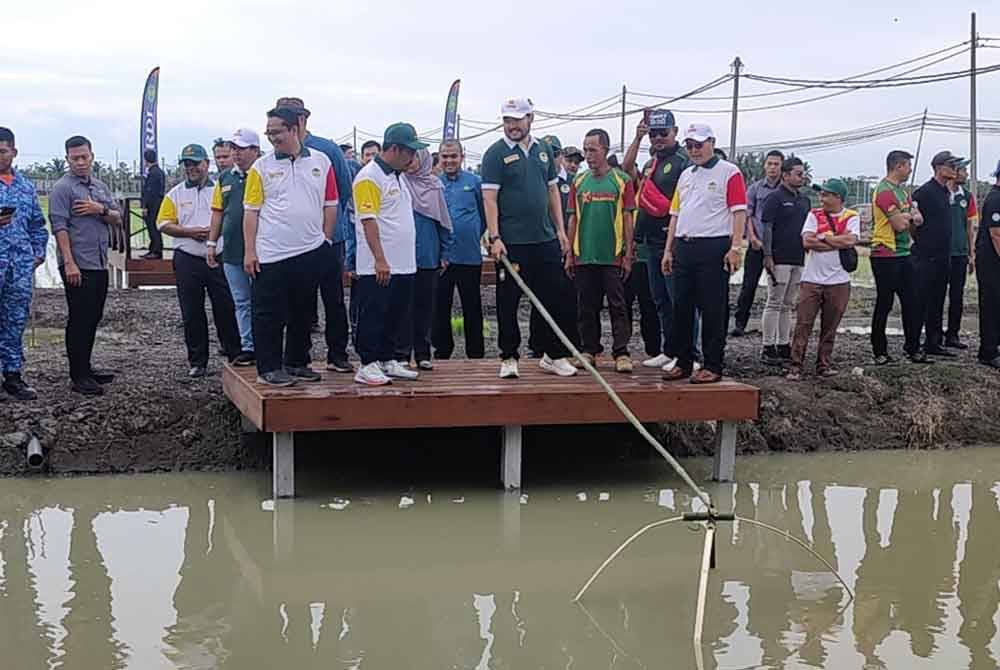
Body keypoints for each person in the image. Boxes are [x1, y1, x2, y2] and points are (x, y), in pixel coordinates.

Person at [481, 97, 578, 379]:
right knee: (508, 300)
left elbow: (552, 193)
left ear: (530, 118)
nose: (512, 125)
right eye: (507, 120)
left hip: (544, 238)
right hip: (512, 241)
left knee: (554, 296)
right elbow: (490, 198)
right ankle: (509, 356)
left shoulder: (544, 150)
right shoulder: (495, 154)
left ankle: (553, 354)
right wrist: (495, 236)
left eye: (517, 119)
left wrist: (560, 230)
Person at [243, 107, 339, 386]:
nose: (272, 138)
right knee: (269, 313)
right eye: (268, 133)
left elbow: (330, 203)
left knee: (303, 311)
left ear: (295, 129)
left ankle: (297, 361)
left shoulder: (322, 162)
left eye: (277, 132)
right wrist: (250, 251)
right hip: (272, 253)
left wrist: (325, 239)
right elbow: (251, 211)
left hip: (310, 251)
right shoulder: (261, 167)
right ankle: (269, 368)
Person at [661, 123, 747, 384]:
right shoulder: (686, 175)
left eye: (699, 144)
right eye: (689, 145)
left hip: (713, 246)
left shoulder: (729, 172)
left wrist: (735, 247)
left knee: (712, 308)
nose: (694, 150)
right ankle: (684, 360)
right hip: (684, 246)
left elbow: (739, 211)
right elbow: (675, 215)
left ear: (711, 142)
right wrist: (668, 250)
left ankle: (712, 364)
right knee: (681, 307)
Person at [275, 96, 354, 373]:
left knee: (333, 298)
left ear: (302, 119)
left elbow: (343, 191)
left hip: (329, 239)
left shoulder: (327, 150)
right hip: (295, 242)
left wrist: (326, 228)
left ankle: (338, 353)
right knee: (298, 300)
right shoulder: (278, 153)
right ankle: (299, 357)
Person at [157, 144, 241, 378]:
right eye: (187, 164)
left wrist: (214, 231)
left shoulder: (221, 189)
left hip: (219, 256)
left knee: (225, 307)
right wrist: (189, 232)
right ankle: (198, 361)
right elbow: (163, 223)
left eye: (195, 163)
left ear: (207, 163)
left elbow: (233, 217)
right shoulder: (175, 193)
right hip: (188, 258)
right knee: (192, 312)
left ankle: (235, 353)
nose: (191, 168)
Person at [351, 123, 426, 386]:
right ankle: (367, 363)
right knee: (374, 313)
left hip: (403, 263)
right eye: (409, 153)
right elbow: (368, 220)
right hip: (379, 264)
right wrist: (380, 258)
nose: (413, 159)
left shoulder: (397, 175)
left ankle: (387, 358)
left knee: (396, 313)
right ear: (394, 149)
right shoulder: (369, 177)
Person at [49, 136, 123, 395]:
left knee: (93, 316)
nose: (80, 162)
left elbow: (117, 217)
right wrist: (69, 262)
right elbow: (59, 227)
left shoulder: (100, 187)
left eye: (84, 157)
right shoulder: (62, 188)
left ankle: (86, 366)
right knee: (79, 318)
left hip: (99, 262)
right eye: (74, 158)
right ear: (67, 159)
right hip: (77, 263)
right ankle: (78, 375)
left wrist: (98, 209)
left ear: (92, 156)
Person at [623, 109, 691, 370]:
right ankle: (669, 349)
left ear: (675, 132)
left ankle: (688, 354)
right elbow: (627, 169)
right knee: (660, 300)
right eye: (654, 134)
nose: (658, 138)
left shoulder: (683, 161)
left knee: (679, 300)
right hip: (649, 239)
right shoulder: (652, 163)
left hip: (671, 240)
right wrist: (638, 138)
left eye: (663, 133)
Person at [564, 128, 636, 373]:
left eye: (593, 150)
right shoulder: (579, 181)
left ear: (606, 150)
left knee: (618, 305)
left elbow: (628, 219)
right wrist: (569, 253)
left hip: (612, 255)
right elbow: (572, 219)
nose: (588, 155)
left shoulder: (621, 181)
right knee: (586, 305)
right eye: (585, 150)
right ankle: (589, 350)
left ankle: (621, 352)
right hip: (584, 254)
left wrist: (627, 254)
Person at [786, 179, 859, 380]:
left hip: (839, 280)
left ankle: (823, 365)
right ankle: (795, 365)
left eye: (826, 195)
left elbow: (851, 240)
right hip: (812, 279)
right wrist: (836, 242)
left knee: (830, 326)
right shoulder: (814, 214)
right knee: (803, 324)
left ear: (838, 198)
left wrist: (824, 238)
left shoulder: (851, 216)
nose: (822, 198)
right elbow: (806, 241)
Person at [0, 127, 48, 401]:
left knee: (14, 322)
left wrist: (38, 253)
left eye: (3, 152)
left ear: (14, 152)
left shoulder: (26, 187)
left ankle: (13, 376)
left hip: (18, 269)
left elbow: (38, 226)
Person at [207, 129, 260, 367]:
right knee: (240, 300)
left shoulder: (263, 174)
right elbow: (218, 211)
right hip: (231, 250)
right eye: (234, 148)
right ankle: (248, 345)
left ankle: (267, 343)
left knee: (263, 299)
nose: (236, 153)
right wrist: (211, 242)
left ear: (255, 150)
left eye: (241, 148)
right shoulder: (225, 178)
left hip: (261, 250)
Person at [870, 150, 927, 365]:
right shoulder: (884, 191)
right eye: (908, 166)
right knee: (884, 303)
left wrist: (909, 216)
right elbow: (900, 224)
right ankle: (879, 351)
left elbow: (918, 218)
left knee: (912, 301)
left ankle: (913, 348)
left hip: (904, 252)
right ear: (898, 166)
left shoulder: (903, 192)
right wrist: (909, 217)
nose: (911, 170)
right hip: (885, 253)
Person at [397, 148, 451, 369]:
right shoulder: (397, 182)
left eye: (416, 158)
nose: (411, 162)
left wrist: (445, 253)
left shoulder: (435, 186)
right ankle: (401, 353)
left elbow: (444, 223)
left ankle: (423, 353)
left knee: (425, 307)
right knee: (402, 307)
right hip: (401, 255)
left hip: (428, 254)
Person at [433, 139, 486, 360]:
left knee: (472, 307)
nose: (449, 161)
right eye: (445, 156)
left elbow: (484, 216)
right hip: (442, 258)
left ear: (462, 156)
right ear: (439, 157)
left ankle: (476, 353)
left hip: (469, 255)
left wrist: (473, 232)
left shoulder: (475, 182)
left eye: (453, 156)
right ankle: (442, 351)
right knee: (440, 307)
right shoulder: (433, 183)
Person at [760, 156, 809, 366]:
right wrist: (768, 255)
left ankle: (783, 343)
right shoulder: (775, 198)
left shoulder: (804, 200)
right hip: (779, 258)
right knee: (774, 301)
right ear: (786, 175)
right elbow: (767, 227)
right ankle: (768, 345)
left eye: (803, 173)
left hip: (798, 257)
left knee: (788, 304)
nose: (802, 177)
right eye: (798, 174)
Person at [912, 151, 960, 358]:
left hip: (943, 255)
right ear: (939, 168)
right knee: (922, 300)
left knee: (939, 299)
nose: (955, 170)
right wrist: (923, 243)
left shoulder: (944, 192)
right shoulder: (924, 192)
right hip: (926, 256)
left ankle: (934, 341)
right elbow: (913, 224)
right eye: (951, 165)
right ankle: (915, 343)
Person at [732, 149, 784, 336]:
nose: (772, 167)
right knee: (748, 286)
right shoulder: (755, 189)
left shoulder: (785, 191)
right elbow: (748, 215)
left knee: (778, 287)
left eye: (776, 164)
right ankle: (740, 324)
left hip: (778, 247)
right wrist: (752, 238)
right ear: (765, 165)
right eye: (769, 163)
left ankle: (774, 328)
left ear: (781, 167)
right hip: (756, 245)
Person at [623, 159, 662, 359]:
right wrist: (638, 139)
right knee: (623, 303)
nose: (647, 177)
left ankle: (654, 350)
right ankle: (622, 348)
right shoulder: (629, 190)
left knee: (650, 305)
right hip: (629, 256)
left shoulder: (657, 194)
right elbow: (627, 166)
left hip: (648, 256)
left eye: (650, 174)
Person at [943, 160, 978, 349]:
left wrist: (971, 254)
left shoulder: (967, 196)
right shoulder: (940, 193)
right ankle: (932, 334)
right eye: (963, 170)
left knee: (957, 296)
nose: (965, 173)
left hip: (959, 253)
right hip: (940, 254)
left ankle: (952, 334)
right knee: (935, 295)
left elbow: (970, 226)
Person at [976, 160, 1000, 369]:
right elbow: (996, 235)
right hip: (991, 262)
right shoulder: (995, 199)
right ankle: (988, 351)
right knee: (991, 304)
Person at [140, 149, 165, 260]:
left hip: (153, 204)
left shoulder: (153, 173)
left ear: (146, 159)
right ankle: (153, 249)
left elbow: (149, 191)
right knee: (154, 227)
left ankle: (156, 250)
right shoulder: (159, 172)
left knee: (152, 226)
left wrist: (145, 206)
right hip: (158, 202)